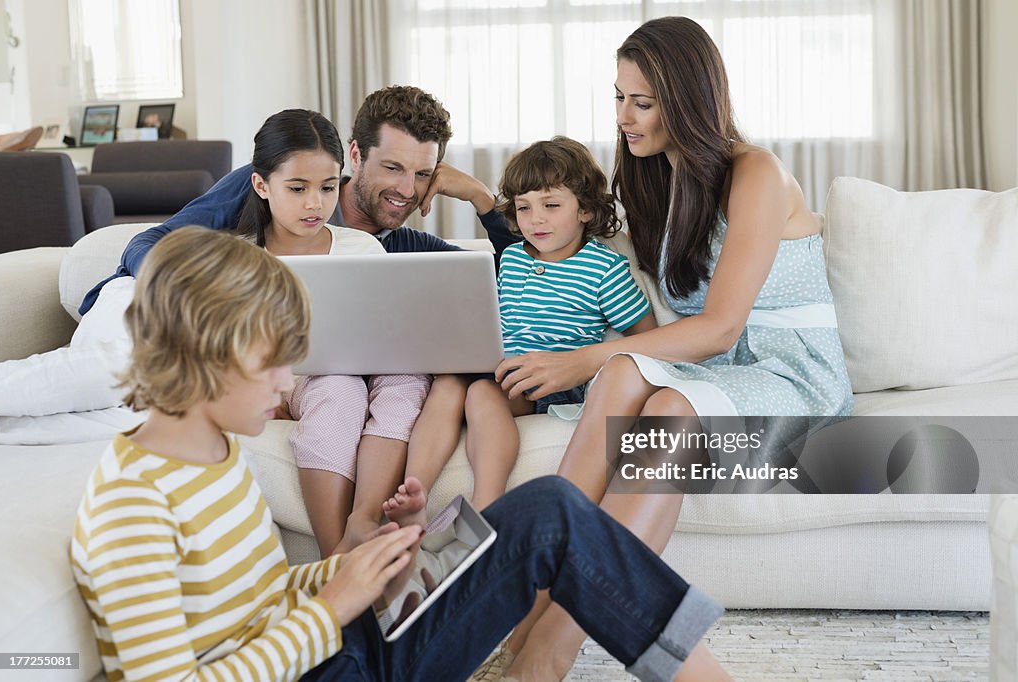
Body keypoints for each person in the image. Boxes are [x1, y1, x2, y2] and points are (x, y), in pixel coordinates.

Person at [70, 226, 730, 682]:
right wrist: (334, 606)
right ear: (205, 354)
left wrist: (364, 568)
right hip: (330, 663)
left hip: (337, 648)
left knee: (552, 510)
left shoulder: (213, 452)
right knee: (550, 521)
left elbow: (261, 601)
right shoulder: (132, 505)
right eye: (271, 363)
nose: (286, 381)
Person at [480, 16, 854, 681]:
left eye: (642, 102)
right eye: (619, 96)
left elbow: (719, 328)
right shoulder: (654, 180)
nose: (624, 116)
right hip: (708, 373)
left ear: (686, 99)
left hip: (790, 376)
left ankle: (549, 647)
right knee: (625, 373)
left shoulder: (757, 173)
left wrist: (578, 360)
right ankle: (526, 611)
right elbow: (554, 234)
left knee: (665, 404)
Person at [0, 86, 519, 552]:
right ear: (355, 157)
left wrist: (483, 200)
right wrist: (194, 305)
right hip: (155, 309)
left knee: (134, 411)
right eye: (394, 169)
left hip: (273, 372)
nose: (408, 188)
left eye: (423, 174)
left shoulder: (397, 247)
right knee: (121, 375)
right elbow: (151, 245)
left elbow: (520, 274)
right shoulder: (256, 203)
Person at [406, 137, 655, 509]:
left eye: (551, 205)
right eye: (523, 208)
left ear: (585, 210)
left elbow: (646, 339)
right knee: (446, 385)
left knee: (481, 393)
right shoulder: (511, 258)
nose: (535, 219)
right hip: (500, 366)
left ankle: (488, 503)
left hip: (551, 379)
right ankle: (415, 493)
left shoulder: (604, 268)